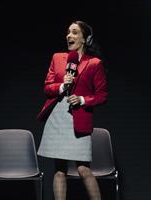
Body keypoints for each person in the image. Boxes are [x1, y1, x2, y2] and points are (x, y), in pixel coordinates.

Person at [36, 20, 107, 200]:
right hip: (58, 116)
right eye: (68, 32)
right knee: (59, 170)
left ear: (85, 39)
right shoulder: (57, 58)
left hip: (79, 118)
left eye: (75, 32)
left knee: (83, 169)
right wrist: (62, 86)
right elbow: (47, 87)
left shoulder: (94, 63)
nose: (69, 36)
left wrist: (83, 99)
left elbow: (101, 95)